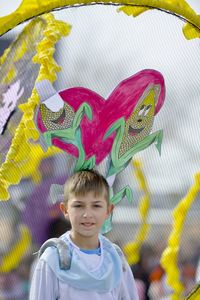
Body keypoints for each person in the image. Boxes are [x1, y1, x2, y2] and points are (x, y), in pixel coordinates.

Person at [29, 169, 139, 300]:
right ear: (65, 209)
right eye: (79, 206)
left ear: (108, 210)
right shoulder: (53, 259)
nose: (87, 214)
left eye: (96, 206)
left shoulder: (115, 259)